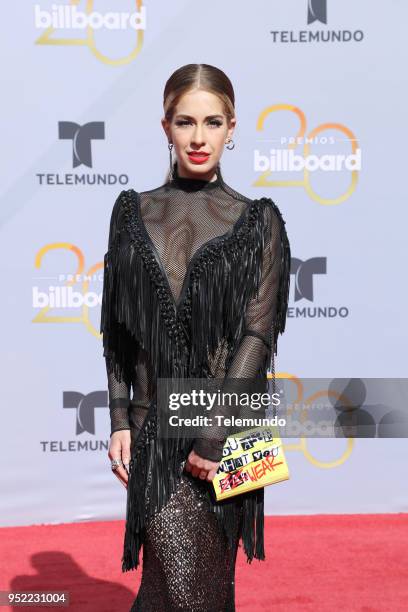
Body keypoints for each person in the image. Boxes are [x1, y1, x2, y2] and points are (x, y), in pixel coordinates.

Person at [100, 63, 291, 612]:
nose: (200, 137)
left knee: (195, 593)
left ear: (233, 127)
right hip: (154, 427)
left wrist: (212, 436)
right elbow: (117, 329)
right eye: (186, 122)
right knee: (176, 591)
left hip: (227, 434)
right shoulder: (131, 213)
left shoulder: (259, 221)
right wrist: (119, 419)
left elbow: (256, 337)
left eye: (213, 122)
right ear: (166, 127)